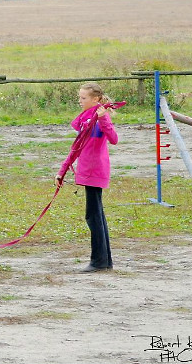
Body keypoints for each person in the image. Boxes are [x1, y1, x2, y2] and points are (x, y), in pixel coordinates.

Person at [55, 82, 118, 273]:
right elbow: (77, 148)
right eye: (80, 97)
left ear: (96, 99)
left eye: (84, 98)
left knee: (93, 216)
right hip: (86, 170)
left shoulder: (100, 118)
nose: (80, 101)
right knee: (96, 215)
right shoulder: (86, 120)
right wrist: (62, 170)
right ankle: (104, 261)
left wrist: (103, 118)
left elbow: (114, 139)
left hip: (95, 171)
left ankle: (99, 261)